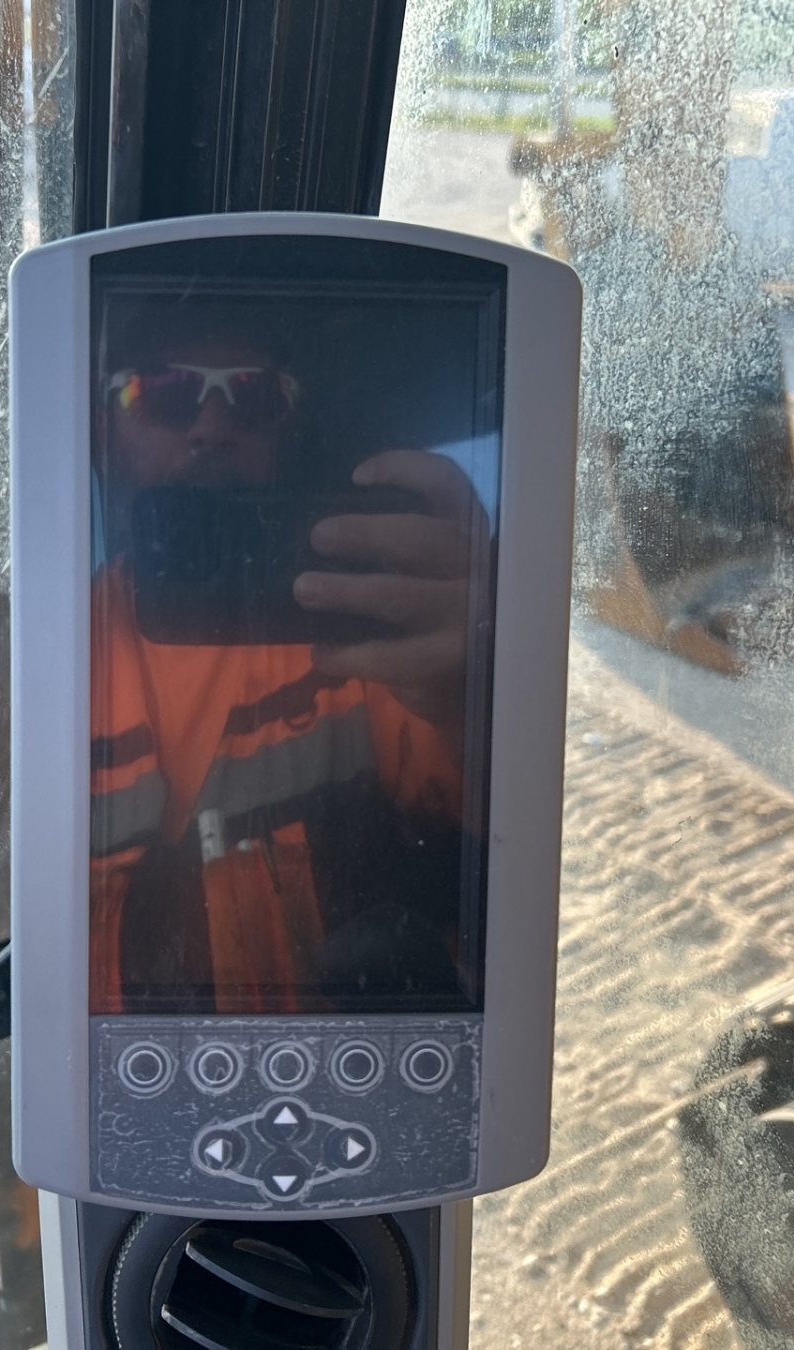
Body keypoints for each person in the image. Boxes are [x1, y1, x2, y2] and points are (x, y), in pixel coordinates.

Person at [88, 308, 492, 1015]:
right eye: (165, 392)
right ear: (103, 433)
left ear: (286, 432)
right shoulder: (57, 653)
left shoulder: (367, 611)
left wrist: (484, 690)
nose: (213, 426)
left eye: (255, 396)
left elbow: (492, 845)